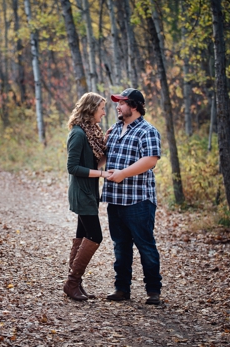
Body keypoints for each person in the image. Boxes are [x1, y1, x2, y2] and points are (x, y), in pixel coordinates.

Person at [102, 88, 164, 305]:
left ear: (134, 106)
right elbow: (103, 161)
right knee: (120, 245)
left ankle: (153, 291)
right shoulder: (114, 129)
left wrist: (123, 174)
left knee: (145, 245)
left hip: (138, 200)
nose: (117, 107)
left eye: (121, 103)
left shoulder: (147, 131)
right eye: (117, 103)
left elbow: (150, 160)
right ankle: (121, 288)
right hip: (115, 199)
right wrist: (101, 143)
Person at [63, 93, 109, 301]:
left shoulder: (91, 132)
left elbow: (92, 164)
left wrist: (106, 147)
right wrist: (101, 173)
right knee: (95, 236)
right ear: (91, 109)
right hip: (81, 193)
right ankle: (72, 282)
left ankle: (75, 284)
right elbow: (72, 167)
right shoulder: (79, 134)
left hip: (89, 191)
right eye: (101, 108)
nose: (103, 112)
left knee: (82, 235)